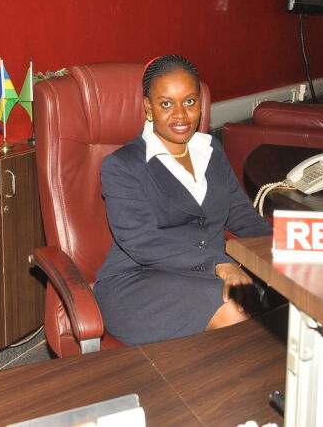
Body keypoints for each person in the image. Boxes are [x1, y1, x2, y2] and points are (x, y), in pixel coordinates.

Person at [92, 55, 272, 346]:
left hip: (206, 276)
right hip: (139, 282)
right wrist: (219, 264)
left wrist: (283, 248)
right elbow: (142, 242)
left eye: (189, 101)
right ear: (148, 108)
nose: (180, 115)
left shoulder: (210, 150)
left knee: (284, 296)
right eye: (166, 104)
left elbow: (240, 212)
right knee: (236, 305)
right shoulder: (122, 165)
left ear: (201, 103)